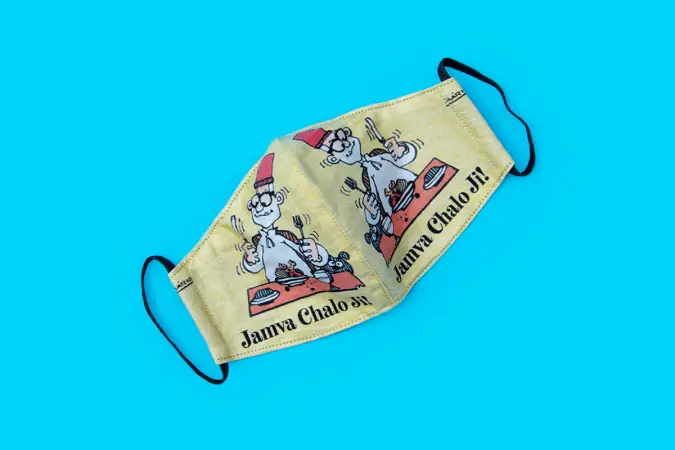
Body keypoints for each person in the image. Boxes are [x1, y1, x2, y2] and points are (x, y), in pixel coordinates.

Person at [294, 121, 419, 235]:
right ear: (333, 158)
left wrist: (401, 149)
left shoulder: (377, 154)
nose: (347, 143)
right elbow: (374, 210)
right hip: (400, 214)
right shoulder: (366, 179)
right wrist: (372, 214)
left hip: (417, 187)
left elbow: (406, 157)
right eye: (338, 146)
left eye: (343, 136)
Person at [241, 153, 329, 282]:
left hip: (306, 278)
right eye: (254, 204)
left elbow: (305, 252)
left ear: (278, 198)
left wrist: (316, 254)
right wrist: (250, 259)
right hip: (278, 285)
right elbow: (257, 266)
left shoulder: (286, 236)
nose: (259, 209)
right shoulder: (259, 241)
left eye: (265, 201)